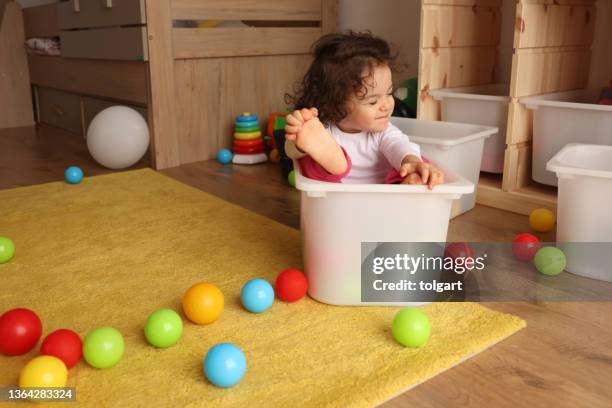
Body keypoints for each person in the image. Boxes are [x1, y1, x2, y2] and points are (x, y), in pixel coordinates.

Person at [284, 31, 444, 189]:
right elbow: (291, 153)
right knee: (309, 162)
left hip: (381, 194)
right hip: (335, 194)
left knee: (416, 164)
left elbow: (398, 145)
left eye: (389, 93)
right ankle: (334, 162)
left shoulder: (383, 132)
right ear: (336, 103)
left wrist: (412, 163)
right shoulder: (321, 130)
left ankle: (410, 181)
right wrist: (298, 138)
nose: (387, 104)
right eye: (373, 101)